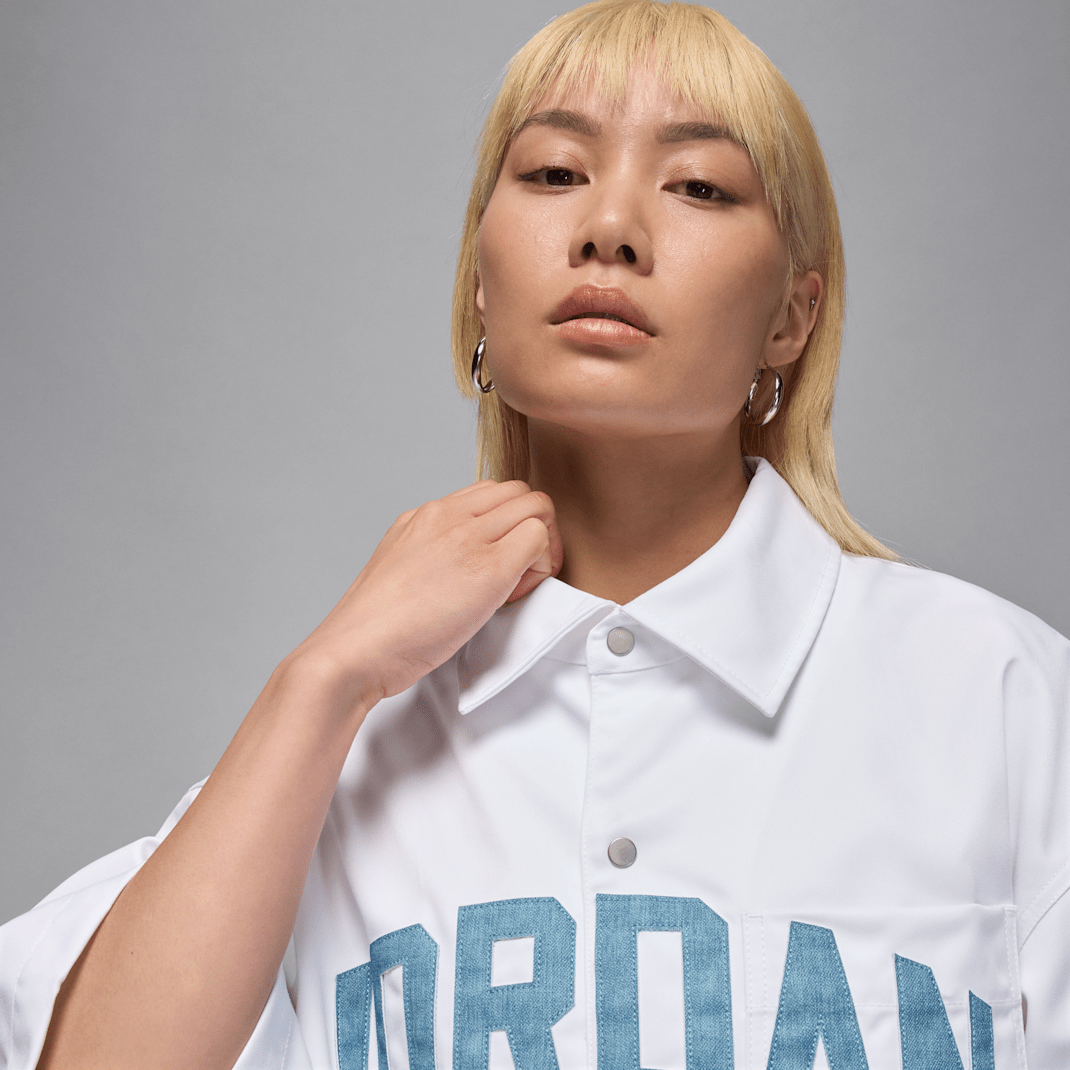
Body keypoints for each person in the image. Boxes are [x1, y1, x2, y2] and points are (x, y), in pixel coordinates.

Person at [2, 1, 1067, 1067]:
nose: (609, 227)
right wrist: (321, 681)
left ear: (791, 316)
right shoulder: (333, 749)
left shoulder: (1004, 697)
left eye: (697, 185)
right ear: (478, 283)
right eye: (556, 172)